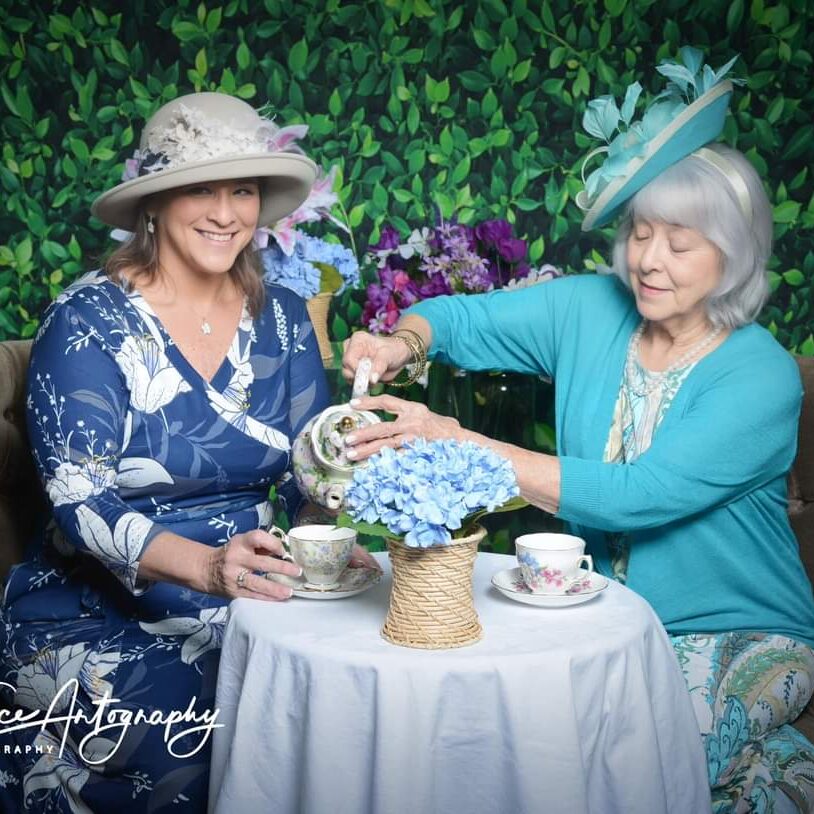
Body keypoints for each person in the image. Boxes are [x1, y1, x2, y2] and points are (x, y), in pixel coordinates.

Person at [342, 52, 814, 812]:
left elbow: (639, 496)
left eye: (679, 243)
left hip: (738, 632)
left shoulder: (760, 376)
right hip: (593, 617)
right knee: (497, 741)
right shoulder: (592, 307)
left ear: (734, 253)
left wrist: (461, 441)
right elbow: (461, 318)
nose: (648, 261)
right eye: (640, 233)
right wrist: (403, 342)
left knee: (644, 757)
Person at [0, 92, 376, 812]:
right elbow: (82, 503)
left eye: (243, 189)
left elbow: (307, 470)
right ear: (155, 203)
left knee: (354, 687)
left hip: (262, 588)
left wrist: (327, 533)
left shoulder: (287, 317)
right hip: (102, 604)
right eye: (201, 187)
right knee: (190, 724)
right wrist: (206, 566)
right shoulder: (85, 322)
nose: (226, 212)